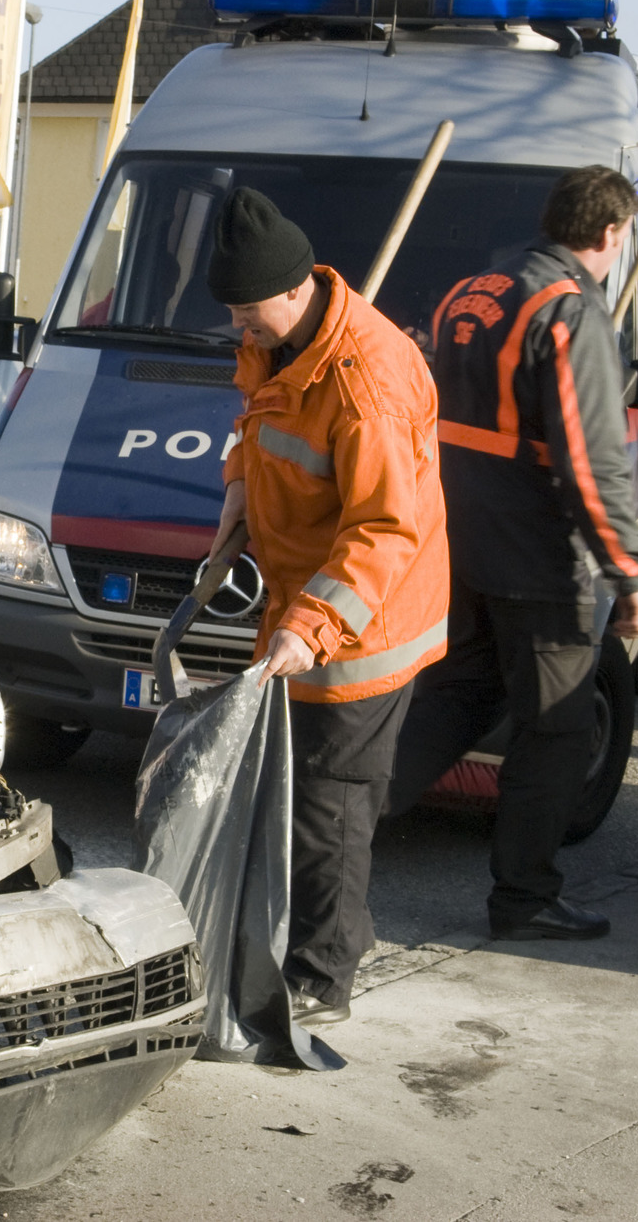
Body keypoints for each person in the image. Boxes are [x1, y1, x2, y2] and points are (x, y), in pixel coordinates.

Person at [387, 165, 638, 943]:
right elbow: (590, 456)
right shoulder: (568, 311)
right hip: (539, 555)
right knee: (557, 725)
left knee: (457, 695)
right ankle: (525, 895)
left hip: (463, 533)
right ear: (611, 234)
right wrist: (629, 570)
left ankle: (321, 820)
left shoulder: (474, 291)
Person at [207, 188, 449, 1026]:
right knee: (295, 791)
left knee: (331, 801)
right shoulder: (279, 346)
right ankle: (312, 936)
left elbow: (385, 527)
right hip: (298, 600)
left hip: (364, 621)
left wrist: (313, 626)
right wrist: (239, 489)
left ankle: (321, 977)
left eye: (248, 314)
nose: (242, 330)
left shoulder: (367, 383)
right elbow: (256, 424)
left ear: (293, 288)